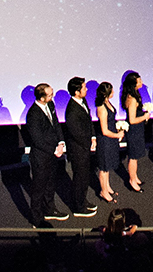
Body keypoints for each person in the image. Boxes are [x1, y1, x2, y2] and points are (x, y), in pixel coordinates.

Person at [23, 83, 69, 225]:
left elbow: (56, 124)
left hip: (53, 153)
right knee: (38, 188)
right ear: (42, 98)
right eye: (50, 95)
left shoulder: (50, 105)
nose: (52, 96)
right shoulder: (33, 114)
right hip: (41, 157)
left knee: (50, 184)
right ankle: (36, 218)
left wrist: (61, 142)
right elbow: (37, 140)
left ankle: (50, 210)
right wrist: (54, 150)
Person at [65, 76, 98, 217]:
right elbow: (76, 133)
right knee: (79, 178)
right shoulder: (72, 110)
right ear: (77, 92)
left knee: (85, 177)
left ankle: (83, 201)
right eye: (84, 87)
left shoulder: (83, 101)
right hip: (78, 149)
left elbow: (89, 120)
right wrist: (88, 143)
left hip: (85, 146)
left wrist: (93, 137)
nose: (86, 89)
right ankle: (78, 207)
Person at [120, 71, 147, 192]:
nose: (141, 82)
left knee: (135, 156)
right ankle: (132, 180)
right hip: (134, 130)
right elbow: (132, 119)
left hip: (138, 130)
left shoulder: (133, 95)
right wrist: (145, 117)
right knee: (133, 156)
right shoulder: (132, 99)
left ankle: (135, 177)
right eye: (139, 80)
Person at [95, 81, 123, 203]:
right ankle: (103, 191)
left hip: (111, 139)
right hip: (105, 141)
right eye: (111, 90)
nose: (113, 92)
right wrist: (117, 135)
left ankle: (107, 187)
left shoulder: (108, 103)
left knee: (108, 166)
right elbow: (104, 130)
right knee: (104, 167)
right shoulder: (101, 108)